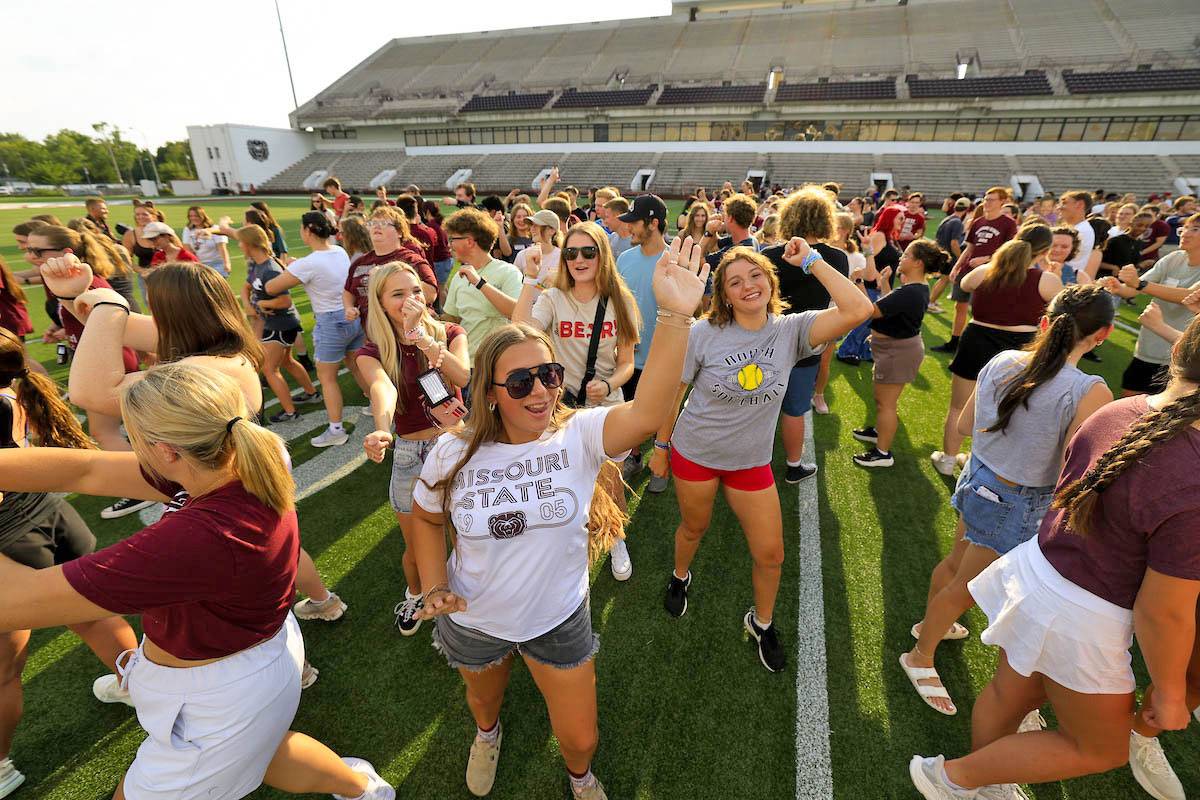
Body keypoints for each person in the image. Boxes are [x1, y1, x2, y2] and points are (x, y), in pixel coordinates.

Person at [0, 362, 394, 800]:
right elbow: (85, 471)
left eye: (136, 441)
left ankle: (361, 788)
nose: (132, 450)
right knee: (262, 750)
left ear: (167, 450)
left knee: (236, 755)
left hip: (221, 697)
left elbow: (14, 601)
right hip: (250, 668)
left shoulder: (199, 536)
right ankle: (363, 789)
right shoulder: (229, 460)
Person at [410, 234, 710, 800]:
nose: (542, 392)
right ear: (490, 393)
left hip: (558, 617)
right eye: (520, 382)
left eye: (548, 375)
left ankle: (580, 776)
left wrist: (675, 317)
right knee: (482, 700)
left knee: (580, 737)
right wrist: (433, 584)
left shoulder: (578, 434)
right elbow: (426, 520)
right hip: (473, 617)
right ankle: (488, 734)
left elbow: (648, 411)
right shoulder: (454, 449)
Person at [908, 312, 1200, 800]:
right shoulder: (1186, 467)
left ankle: (985, 782)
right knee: (1102, 747)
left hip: (1042, 572)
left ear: (1176, 354)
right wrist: (1170, 692)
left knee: (1011, 691)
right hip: (1087, 611)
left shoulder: (1116, 411)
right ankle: (954, 778)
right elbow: (1162, 610)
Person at [42, 254, 347, 653]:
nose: (147, 314)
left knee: (251, 574)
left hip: (222, 477)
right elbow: (115, 328)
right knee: (274, 552)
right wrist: (79, 295)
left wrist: (107, 304)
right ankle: (322, 603)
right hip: (240, 464)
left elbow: (90, 392)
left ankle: (297, 649)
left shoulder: (199, 368)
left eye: (155, 307)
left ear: (174, 314)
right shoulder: (220, 347)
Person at [653, 241, 871, 672]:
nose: (747, 286)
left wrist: (812, 261)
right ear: (724, 294)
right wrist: (661, 446)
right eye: (734, 281)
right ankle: (680, 575)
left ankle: (762, 621)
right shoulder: (703, 334)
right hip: (696, 452)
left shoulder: (791, 329)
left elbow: (858, 309)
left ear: (770, 282)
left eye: (755, 276)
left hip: (750, 463)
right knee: (694, 528)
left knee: (771, 554)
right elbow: (674, 392)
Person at [902, 285, 1113, 719]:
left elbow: (964, 424)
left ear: (1044, 322)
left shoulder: (1002, 361)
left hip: (978, 478)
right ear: (1103, 335)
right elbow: (1071, 472)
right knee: (967, 587)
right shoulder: (1090, 390)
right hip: (1016, 500)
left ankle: (930, 629)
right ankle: (920, 655)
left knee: (956, 567)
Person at [0, 329, 140, 792]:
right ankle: (142, 688)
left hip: (11, 542)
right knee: (95, 613)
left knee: (3, 670)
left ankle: (0, 767)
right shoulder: (12, 389)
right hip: (54, 516)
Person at [512, 222, 641, 581]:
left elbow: (627, 362)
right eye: (571, 252)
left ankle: (616, 536)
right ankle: (568, 541)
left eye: (588, 252)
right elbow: (519, 333)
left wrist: (608, 382)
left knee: (609, 477)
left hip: (605, 403)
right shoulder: (553, 297)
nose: (578, 259)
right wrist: (530, 281)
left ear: (603, 256)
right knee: (562, 477)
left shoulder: (621, 301)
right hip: (562, 403)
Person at [357, 262, 470, 634]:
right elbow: (382, 388)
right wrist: (380, 429)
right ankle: (417, 592)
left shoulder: (450, 332)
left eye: (416, 291)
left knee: (466, 534)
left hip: (454, 446)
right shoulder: (372, 349)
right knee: (417, 546)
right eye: (398, 294)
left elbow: (462, 376)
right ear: (381, 303)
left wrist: (421, 337)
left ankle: (466, 595)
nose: (411, 300)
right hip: (409, 453)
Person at [932, 225, 1064, 475]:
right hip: (1020, 347)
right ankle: (975, 461)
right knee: (1006, 410)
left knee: (959, 406)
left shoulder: (985, 271)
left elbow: (966, 282)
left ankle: (949, 460)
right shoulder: (1046, 279)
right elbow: (1063, 308)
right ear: (1043, 251)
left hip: (978, 341)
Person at [762, 185, 851, 483]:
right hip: (810, 339)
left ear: (789, 217)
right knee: (795, 408)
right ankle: (793, 464)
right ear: (825, 219)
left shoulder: (771, 254)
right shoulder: (836, 258)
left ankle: (752, 462)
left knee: (760, 405)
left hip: (770, 338)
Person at [264, 212, 362, 449]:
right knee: (357, 365)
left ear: (308, 230)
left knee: (327, 378)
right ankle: (377, 405)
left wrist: (293, 268)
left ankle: (336, 430)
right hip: (353, 315)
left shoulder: (308, 263)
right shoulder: (338, 250)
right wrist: (297, 267)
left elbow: (271, 287)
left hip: (331, 322)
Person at [852, 239, 950, 468]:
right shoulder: (914, 288)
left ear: (917, 263)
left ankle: (883, 453)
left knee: (886, 404)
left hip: (897, 353)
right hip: (894, 350)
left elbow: (871, 311)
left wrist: (857, 282)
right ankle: (879, 432)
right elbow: (890, 308)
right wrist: (884, 282)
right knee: (881, 400)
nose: (900, 258)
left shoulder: (912, 291)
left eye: (905, 255)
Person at [1103, 213, 1200, 396]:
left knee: (1163, 416)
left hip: (1181, 355)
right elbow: (1133, 290)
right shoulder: (1173, 258)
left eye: (1194, 229)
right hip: (1147, 347)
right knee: (1129, 403)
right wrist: (1118, 287)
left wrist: (1139, 284)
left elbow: (1189, 296)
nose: (1185, 233)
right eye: (1184, 228)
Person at [614, 194, 671, 488]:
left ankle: (660, 462)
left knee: (662, 411)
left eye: (634, 223)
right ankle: (634, 457)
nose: (629, 229)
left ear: (654, 223)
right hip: (629, 355)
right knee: (632, 408)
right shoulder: (624, 259)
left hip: (663, 356)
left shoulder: (674, 262)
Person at [236, 226, 320, 426]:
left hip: (281, 325)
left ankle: (291, 412)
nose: (239, 246)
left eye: (241, 242)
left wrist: (264, 304)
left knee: (269, 369)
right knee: (287, 362)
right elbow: (247, 287)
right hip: (275, 324)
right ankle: (312, 393)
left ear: (249, 244)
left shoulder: (270, 269)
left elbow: (285, 301)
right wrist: (249, 305)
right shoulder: (258, 265)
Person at [931, 188, 1019, 354]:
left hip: (990, 271)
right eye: (986, 198)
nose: (987, 202)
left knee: (982, 309)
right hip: (968, 270)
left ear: (1002, 201)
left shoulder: (1008, 223)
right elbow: (969, 247)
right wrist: (957, 266)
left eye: (992, 199)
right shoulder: (978, 221)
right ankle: (954, 342)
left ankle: (980, 346)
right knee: (960, 306)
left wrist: (986, 259)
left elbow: (1009, 250)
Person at [441, 208, 522, 359]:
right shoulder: (459, 277)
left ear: (470, 241)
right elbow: (453, 319)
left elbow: (516, 313)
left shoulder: (508, 272)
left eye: (452, 239)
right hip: (466, 363)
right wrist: (428, 318)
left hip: (497, 363)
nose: (449, 245)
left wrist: (479, 283)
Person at [346, 207, 437, 327]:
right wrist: (349, 307)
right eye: (372, 223)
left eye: (384, 223)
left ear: (399, 232)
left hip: (408, 334)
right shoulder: (360, 262)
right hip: (373, 335)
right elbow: (348, 291)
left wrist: (386, 276)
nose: (376, 226)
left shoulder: (411, 260)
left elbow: (431, 294)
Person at [930, 198, 971, 313]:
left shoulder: (948, 218)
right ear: (966, 210)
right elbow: (954, 243)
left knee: (942, 279)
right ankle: (931, 303)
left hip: (942, 253)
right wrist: (959, 257)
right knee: (944, 280)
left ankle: (932, 299)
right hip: (948, 255)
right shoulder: (957, 222)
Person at [181, 206, 232, 277]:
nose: (193, 218)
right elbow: (187, 248)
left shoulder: (214, 228)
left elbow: (222, 248)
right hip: (199, 264)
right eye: (191, 216)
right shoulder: (188, 230)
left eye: (196, 216)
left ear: (202, 216)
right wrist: (196, 265)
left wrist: (227, 264)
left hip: (216, 263)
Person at [420, 200, 454, 305]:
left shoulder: (431, 225)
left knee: (441, 289)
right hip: (447, 259)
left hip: (440, 261)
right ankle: (450, 308)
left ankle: (444, 312)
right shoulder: (440, 222)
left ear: (428, 212)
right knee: (444, 287)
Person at [513, 209, 562, 278]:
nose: (532, 229)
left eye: (537, 225)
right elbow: (514, 283)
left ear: (552, 230)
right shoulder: (522, 255)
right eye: (532, 225)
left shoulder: (561, 257)